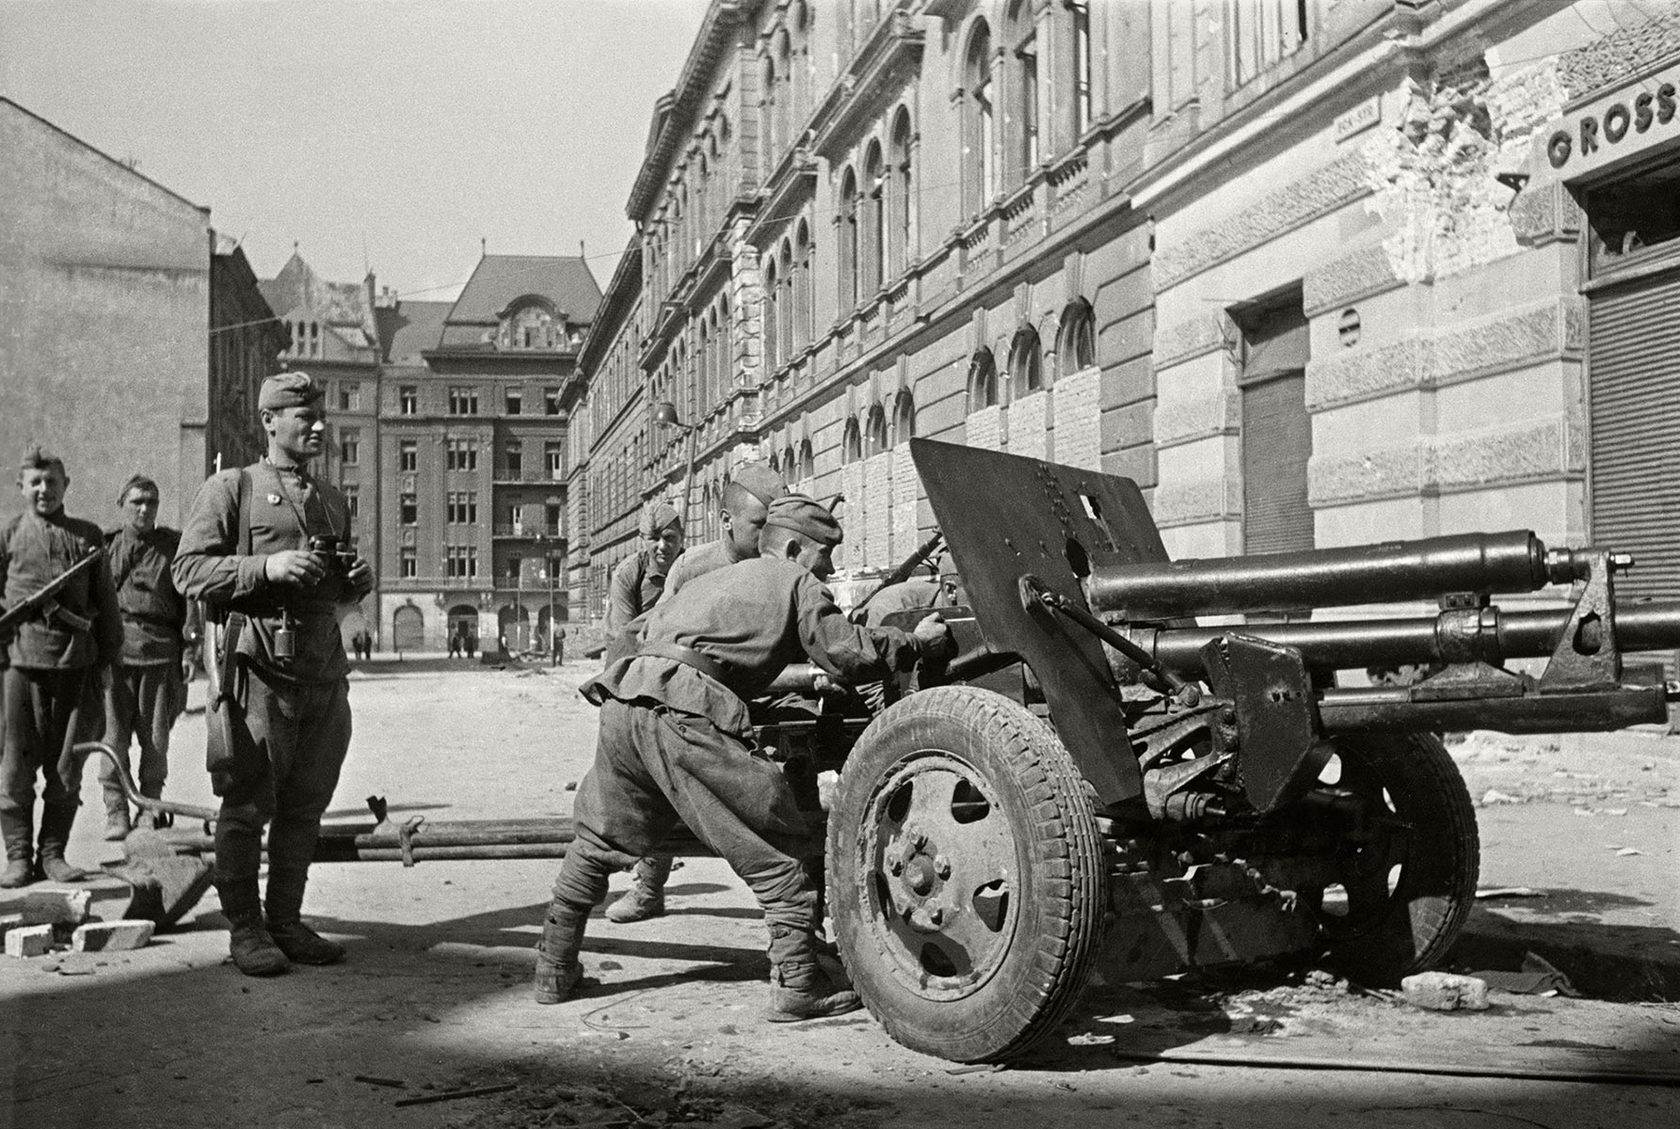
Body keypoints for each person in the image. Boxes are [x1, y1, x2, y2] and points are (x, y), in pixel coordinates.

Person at [532, 494, 954, 1021]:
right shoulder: (797, 582)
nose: (830, 568)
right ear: (797, 548)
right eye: (826, 556)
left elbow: (634, 638)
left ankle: (553, 969)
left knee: (597, 839)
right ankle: (799, 983)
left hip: (624, 699)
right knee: (779, 844)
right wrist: (914, 641)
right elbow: (845, 651)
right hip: (680, 707)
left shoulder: (710, 580)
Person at [173, 372, 373, 976]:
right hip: (256, 670)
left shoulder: (331, 497)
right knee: (247, 801)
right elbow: (188, 572)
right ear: (268, 421)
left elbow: (332, 588)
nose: (316, 425)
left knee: (307, 803)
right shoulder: (231, 487)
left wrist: (353, 591)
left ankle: (285, 919)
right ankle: (246, 929)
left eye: (319, 416)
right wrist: (267, 566)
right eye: (302, 415)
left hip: (320, 672)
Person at [604, 462, 788, 925]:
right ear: (728, 521)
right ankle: (648, 887)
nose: (770, 536)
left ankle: (796, 906)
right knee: (659, 785)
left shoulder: (782, 563)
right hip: (695, 697)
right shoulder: (692, 566)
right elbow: (653, 633)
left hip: (763, 692)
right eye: (760, 524)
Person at [0, 447, 121, 887]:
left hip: (75, 667)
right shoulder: (9, 535)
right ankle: (17, 858)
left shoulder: (88, 537)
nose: (44, 490)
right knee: (13, 768)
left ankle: (52, 854)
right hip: (18, 667)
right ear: (21, 487)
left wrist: (108, 660)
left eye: (52, 482)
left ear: (66, 486)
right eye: (35, 482)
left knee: (67, 767)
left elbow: (107, 608)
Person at [97, 475, 193, 841]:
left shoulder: (173, 547)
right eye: (137, 501)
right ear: (123, 504)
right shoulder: (107, 549)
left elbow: (190, 601)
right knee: (113, 738)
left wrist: (191, 650)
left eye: (151, 502)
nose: (144, 508)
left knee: (156, 741)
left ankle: (150, 809)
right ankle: (116, 811)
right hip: (116, 656)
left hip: (159, 652)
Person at [605, 502, 683, 634]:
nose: (662, 546)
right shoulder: (626, 574)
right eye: (654, 538)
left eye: (669, 537)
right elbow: (624, 634)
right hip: (635, 645)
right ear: (642, 539)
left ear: (682, 535)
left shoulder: (694, 566)